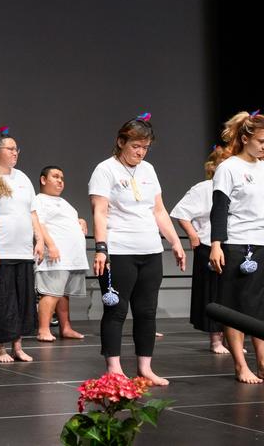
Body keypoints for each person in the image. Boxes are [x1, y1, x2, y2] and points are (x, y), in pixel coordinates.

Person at [89, 115, 186, 386]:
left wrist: (175, 241)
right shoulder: (105, 169)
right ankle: (114, 369)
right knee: (116, 311)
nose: (140, 152)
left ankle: (145, 367)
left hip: (151, 250)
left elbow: (159, 211)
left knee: (147, 312)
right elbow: (99, 210)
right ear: (121, 142)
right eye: (135, 146)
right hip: (119, 250)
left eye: (145, 147)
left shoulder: (148, 170)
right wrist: (101, 249)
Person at [0, 129, 45, 363]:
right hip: (0, 251)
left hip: (22, 251)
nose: (15, 152)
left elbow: (32, 212)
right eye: (11, 149)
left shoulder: (23, 178)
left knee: (22, 302)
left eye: (17, 149)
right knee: (0, 300)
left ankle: (17, 346)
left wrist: (40, 239)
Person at [209, 111, 264, 384]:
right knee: (235, 307)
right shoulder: (229, 168)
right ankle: (241, 365)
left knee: (259, 306)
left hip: (262, 243)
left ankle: (263, 361)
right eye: (261, 141)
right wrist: (216, 244)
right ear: (245, 138)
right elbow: (219, 209)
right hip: (236, 244)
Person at [171, 146, 230, 353]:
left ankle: (233, 340)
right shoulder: (204, 188)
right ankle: (216, 340)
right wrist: (193, 236)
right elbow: (182, 213)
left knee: (230, 295)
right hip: (208, 245)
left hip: (233, 245)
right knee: (212, 293)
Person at [33, 165, 89, 342]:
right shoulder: (39, 200)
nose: (60, 181)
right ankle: (43, 329)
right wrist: (51, 245)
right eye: (55, 177)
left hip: (71, 258)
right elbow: (39, 224)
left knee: (63, 294)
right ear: (43, 180)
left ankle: (66, 328)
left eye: (62, 178)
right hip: (54, 256)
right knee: (50, 293)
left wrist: (80, 220)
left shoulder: (64, 203)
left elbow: (67, 220)